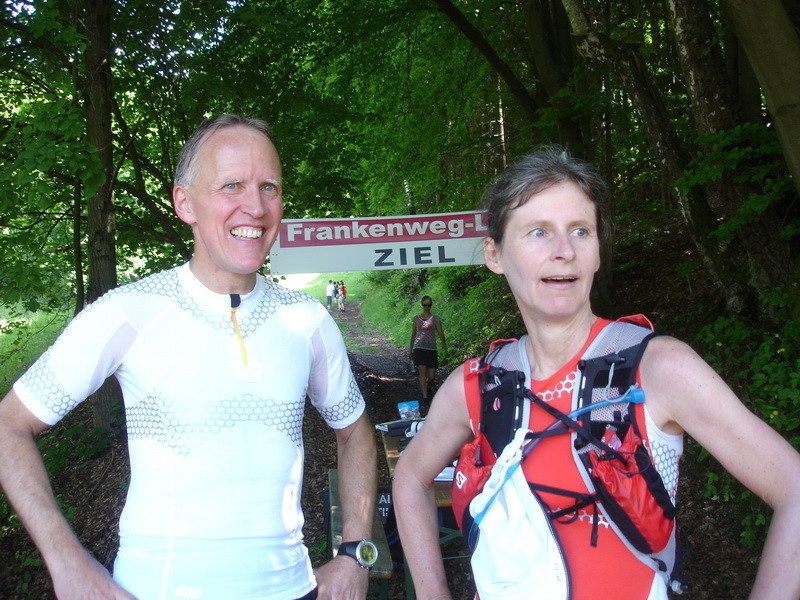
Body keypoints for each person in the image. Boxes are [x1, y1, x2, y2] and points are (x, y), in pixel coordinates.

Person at [392, 147, 800, 600]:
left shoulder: (659, 369)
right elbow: (410, 477)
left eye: (580, 231)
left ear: (597, 252)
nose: (564, 251)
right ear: (495, 254)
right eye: (539, 232)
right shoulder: (475, 387)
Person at [0, 114, 378, 600]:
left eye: (269, 187)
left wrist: (355, 554)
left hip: (292, 588)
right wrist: (66, 562)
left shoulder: (306, 320)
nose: (255, 207)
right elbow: (9, 426)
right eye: (232, 185)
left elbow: (355, 432)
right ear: (184, 202)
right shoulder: (131, 312)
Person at [408, 296, 446, 404]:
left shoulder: (435, 319)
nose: (427, 307)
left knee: (431, 376)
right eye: (425, 305)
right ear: (422, 305)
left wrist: (443, 341)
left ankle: (428, 388)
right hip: (419, 348)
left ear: (431, 305)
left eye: (429, 305)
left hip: (431, 348)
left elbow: (440, 331)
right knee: (422, 371)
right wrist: (410, 350)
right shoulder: (416, 319)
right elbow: (413, 335)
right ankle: (425, 397)